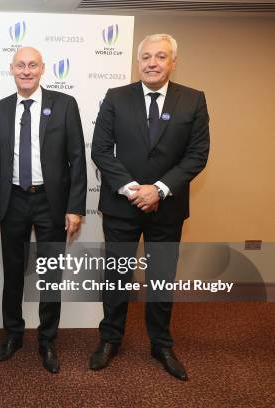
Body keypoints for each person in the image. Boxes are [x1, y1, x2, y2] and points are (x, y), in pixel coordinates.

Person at [90, 33, 210, 381]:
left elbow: (197, 154)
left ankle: (161, 344)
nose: (152, 63)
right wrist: (132, 190)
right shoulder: (116, 97)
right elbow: (101, 150)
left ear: (173, 62)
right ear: (137, 61)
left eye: (160, 56)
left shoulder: (193, 100)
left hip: (167, 207)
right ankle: (109, 339)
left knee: (161, 278)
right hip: (121, 206)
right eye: (146, 57)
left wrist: (159, 189)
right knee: (116, 276)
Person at [0, 46, 87, 374]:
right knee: (14, 273)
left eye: (32, 65)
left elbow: (76, 159)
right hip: (13, 200)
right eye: (20, 66)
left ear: (43, 69)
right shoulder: (1, 109)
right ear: (11, 69)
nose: (26, 71)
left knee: (50, 275)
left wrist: (75, 207)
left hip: (51, 203)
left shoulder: (64, 105)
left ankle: (47, 340)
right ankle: (13, 334)